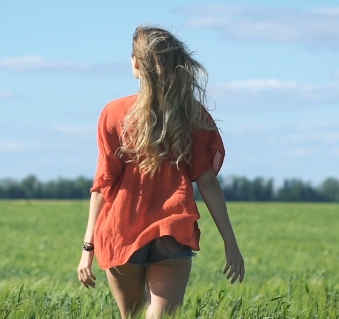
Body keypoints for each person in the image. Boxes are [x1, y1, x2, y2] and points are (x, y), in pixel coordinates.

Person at [77, 25, 245, 319]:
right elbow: (207, 181)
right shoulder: (193, 114)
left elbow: (104, 183)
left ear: (137, 65)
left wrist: (87, 247)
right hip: (172, 230)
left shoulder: (114, 113)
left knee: (132, 315)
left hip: (121, 230)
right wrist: (229, 241)